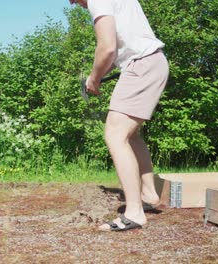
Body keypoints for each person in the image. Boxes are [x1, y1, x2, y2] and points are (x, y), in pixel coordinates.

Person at [69, 0, 169, 231]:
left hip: (141, 66)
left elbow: (107, 47)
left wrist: (93, 79)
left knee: (115, 134)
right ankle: (149, 195)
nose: (76, 4)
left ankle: (134, 213)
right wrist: (98, 73)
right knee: (131, 135)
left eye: (74, 0)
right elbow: (120, 49)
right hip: (152, 62)